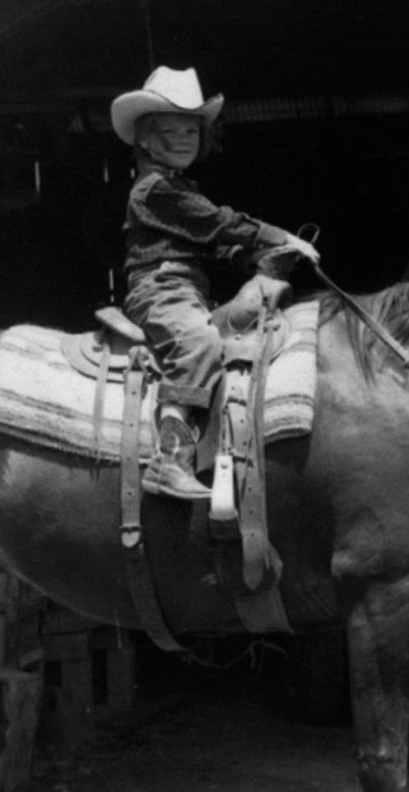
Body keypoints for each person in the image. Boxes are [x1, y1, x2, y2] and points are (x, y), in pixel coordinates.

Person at [111, 66, 319, 500]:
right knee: (200, 344)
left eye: (192, 129)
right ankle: (170, 459)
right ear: (145, 139)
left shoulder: (175, 188)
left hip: (186, 289)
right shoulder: (154, 190)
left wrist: (258, 258)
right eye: (171, 129)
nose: (185, 137)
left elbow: (212, 245)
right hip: (160, 290)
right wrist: (278, 236)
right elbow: (217, 223)